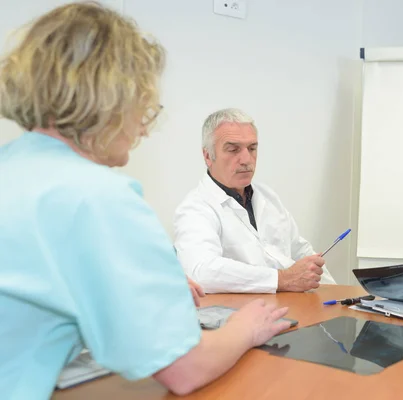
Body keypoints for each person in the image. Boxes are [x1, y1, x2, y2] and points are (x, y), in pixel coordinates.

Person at [0, 4, 290, 398]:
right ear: (112, 101)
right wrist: (246, 328)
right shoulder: (98, 196)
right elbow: (184, 368)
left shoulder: (12, 166)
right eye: (143, 105)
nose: (143, 127)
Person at [174, 108, 336, 293]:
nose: (246, 159)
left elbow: (301, 252)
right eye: (233, 149)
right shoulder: (195, 209)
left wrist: (338, 296)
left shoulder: (267, 196)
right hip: (240, 317)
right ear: (208, 156)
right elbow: (201, 271)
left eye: (252, 148)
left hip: (291, 308)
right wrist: (282, 279)